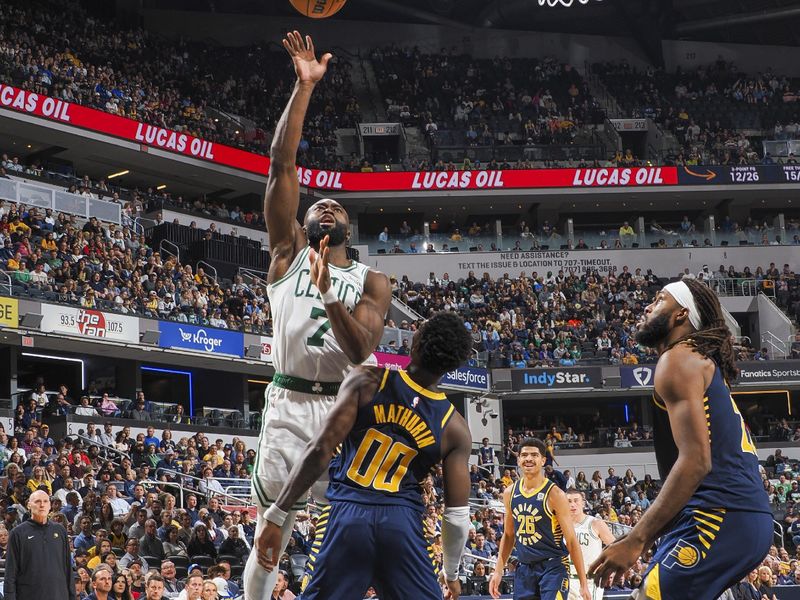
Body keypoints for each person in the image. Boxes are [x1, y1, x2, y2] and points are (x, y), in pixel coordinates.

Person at [243, 30, 391, 600]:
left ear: (348, 228)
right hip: (287, 404)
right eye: (316, 205)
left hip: (344, 408)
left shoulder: (371, 280)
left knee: (355, 537)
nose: (324, 203)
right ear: (305, 225)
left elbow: (362, 350)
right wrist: (303, 87)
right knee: (268, 535)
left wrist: (331, 294)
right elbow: (283, 164)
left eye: (336, 205)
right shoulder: (286, 255)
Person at [257, 312, 474, 600]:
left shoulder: (367, 380)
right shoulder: (455, 427)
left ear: (414, 343)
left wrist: (276, 515)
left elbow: (320, 448)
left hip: (347, 515)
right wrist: (452, 573)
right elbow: (457, 515)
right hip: (402, 525)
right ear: (453, 366)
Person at [589, 279, 773, 599]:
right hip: (729, 515)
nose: (647, 306)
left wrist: (636, 538)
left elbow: (696, 461)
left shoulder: (678, 359)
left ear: (681, 314)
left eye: (659, 300)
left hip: (719, 515)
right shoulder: (696, 361)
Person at [489, 439, 590, 600]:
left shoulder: (555, 494)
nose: (528, 458)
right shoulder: (509, 493)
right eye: (524, 455)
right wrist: (498, 571)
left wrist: (583, 583)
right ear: (518, 460)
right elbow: (508, 535)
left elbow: (571, 541)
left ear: (543, 460)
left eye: (534, 455)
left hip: (553, 567)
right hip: (524, 569)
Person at [5, 489, 75, 600]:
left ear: (50, 506)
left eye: (45, 501)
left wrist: (72, 596)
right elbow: (10, 573)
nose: (42, 505)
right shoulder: (18, 533)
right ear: (29, 505)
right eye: (37, 501)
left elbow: (67, 568)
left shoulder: (60, 530)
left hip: (59, 595)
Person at [565, 489, 615, 600]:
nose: (573, 504)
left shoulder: (595, 523)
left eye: (576, 501)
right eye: (569, 501)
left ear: (583, 503)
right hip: (566, 581)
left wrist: (610, 568)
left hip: (590, 580)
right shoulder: (561, 525)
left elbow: (615, 547)